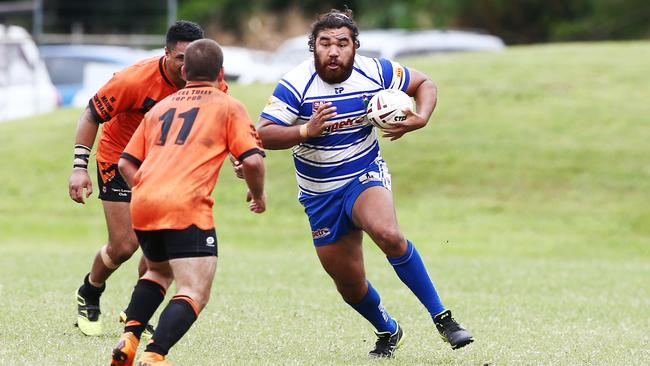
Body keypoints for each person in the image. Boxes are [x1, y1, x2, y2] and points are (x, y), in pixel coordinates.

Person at [257, 8, 473, 358]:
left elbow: (424, 83)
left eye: (342, 43)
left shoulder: (375, 71)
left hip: (363, 173)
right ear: (313, 48)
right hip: (319, 194)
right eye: (325, 43)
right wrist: (304, 131)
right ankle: (388, 329)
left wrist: (421, 118)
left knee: (387, 233)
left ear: (355, 47)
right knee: (349, 283)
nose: (333, 51)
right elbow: (263, 133)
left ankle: (444, 319)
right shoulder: (295, 85)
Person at [110, 38, 266, 366]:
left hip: (144, 202)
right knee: (195, 290)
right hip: (185, 205)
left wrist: (148, 189)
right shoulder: (227, 105)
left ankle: (129, 338)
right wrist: (258, 193)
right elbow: (252, 161)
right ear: (221, 72)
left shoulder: (161, 108)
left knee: (156, 273)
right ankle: (154, 355)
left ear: (184, 70)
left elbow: (125, 163)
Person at [68, 20, 229, 336]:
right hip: (119, 158)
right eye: (180, 58)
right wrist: (78, 167)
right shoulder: (134, 80)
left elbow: (219, 115)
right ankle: (90, 289)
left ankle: (134, 312)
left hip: (166, 166)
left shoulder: (209, 75)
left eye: (192, 57)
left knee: (162, 250)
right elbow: (91, 114)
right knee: (124, 246)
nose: (187, 66)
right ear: (167, 53)